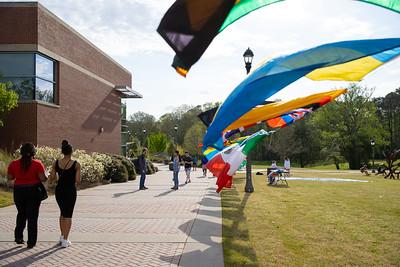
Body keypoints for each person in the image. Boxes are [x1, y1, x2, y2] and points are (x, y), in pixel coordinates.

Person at [7, 142, 48, 249]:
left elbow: (10, 178)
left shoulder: (13, 164)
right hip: (33, 191)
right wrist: (46, 174)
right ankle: (31, 242)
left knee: (21, 214)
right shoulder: (37, 164)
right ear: (33, 152)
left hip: (19, 191)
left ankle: (18, 237)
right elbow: (43, 178)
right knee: (32, 217)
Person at [49, 140, 81, 248]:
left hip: (59, 191)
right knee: (68, 215)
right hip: (70, 191)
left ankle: (62, 236)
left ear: (62, 151)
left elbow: (52, 178)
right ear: (71, 152)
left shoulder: (56, 163)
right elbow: (78, 181)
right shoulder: (76, 165)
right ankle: (65, 240)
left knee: (62, 213)